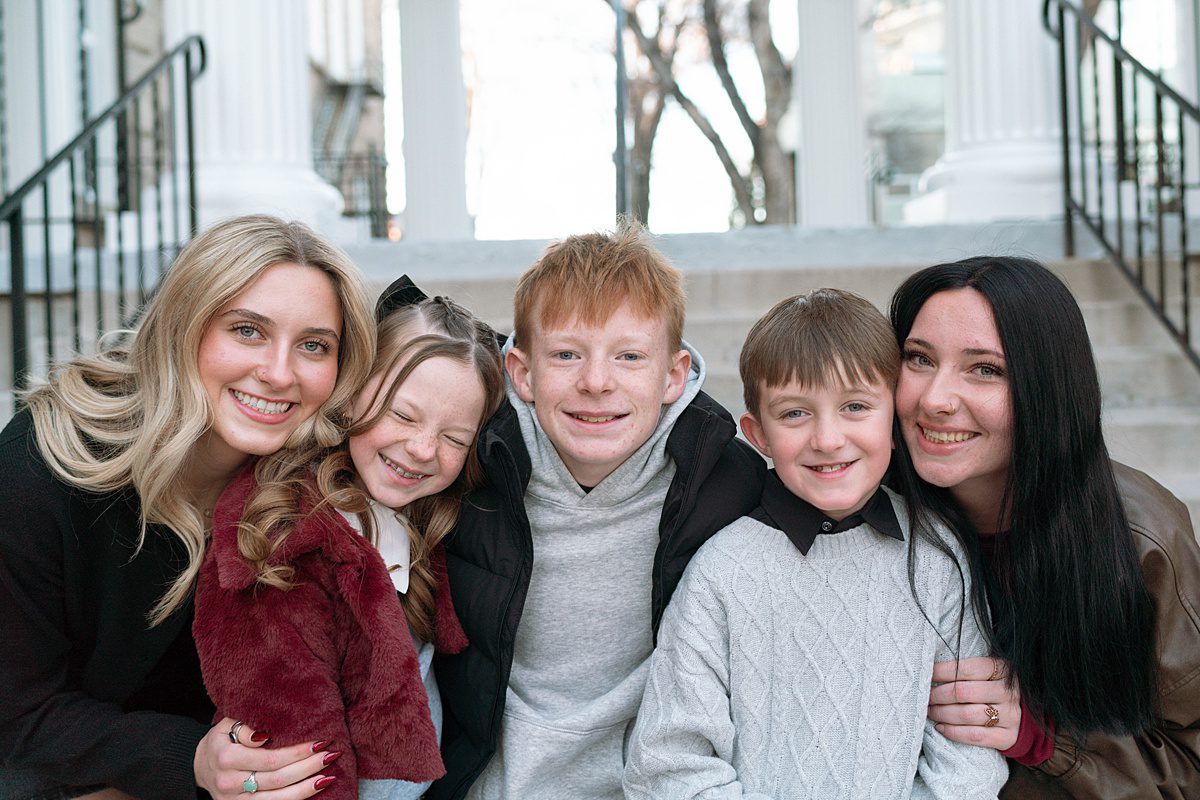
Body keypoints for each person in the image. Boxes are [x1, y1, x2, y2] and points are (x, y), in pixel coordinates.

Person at [0, 215, 376, 799]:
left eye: (312, 346)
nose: (279, 374)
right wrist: (190, 762)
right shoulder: (43, 465)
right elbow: (17, 714)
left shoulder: (312, 485)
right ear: (184, 326)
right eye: (247, 330)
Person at [428, 221, 767, 800]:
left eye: (630, 356)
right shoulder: (470, 473)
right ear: (522, 372)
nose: (596, 382)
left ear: (673, 376)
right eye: (566, 354)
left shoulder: (731, 485)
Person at [623, 288, 1007, 799]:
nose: (827, 438)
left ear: (893, 420)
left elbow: (967, 755)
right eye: (795, 414)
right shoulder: (723, 572)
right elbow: (669, 766)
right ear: (757, 434)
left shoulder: (936, 557)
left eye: (854, 407)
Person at [890, 255, 1200, 799]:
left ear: (1047, 387)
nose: (934, 400)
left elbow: (1189, 764)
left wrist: (1044, 739)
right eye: (918, 359)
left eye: (985, 369)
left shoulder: (1141, 537)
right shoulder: (863, 511)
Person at [193, 291, 505, 800]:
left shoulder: (417, 518)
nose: (424, 449)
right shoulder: (286, 540)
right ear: (353, 391)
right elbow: (292, 735)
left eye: (455, 439)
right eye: (403, 415)